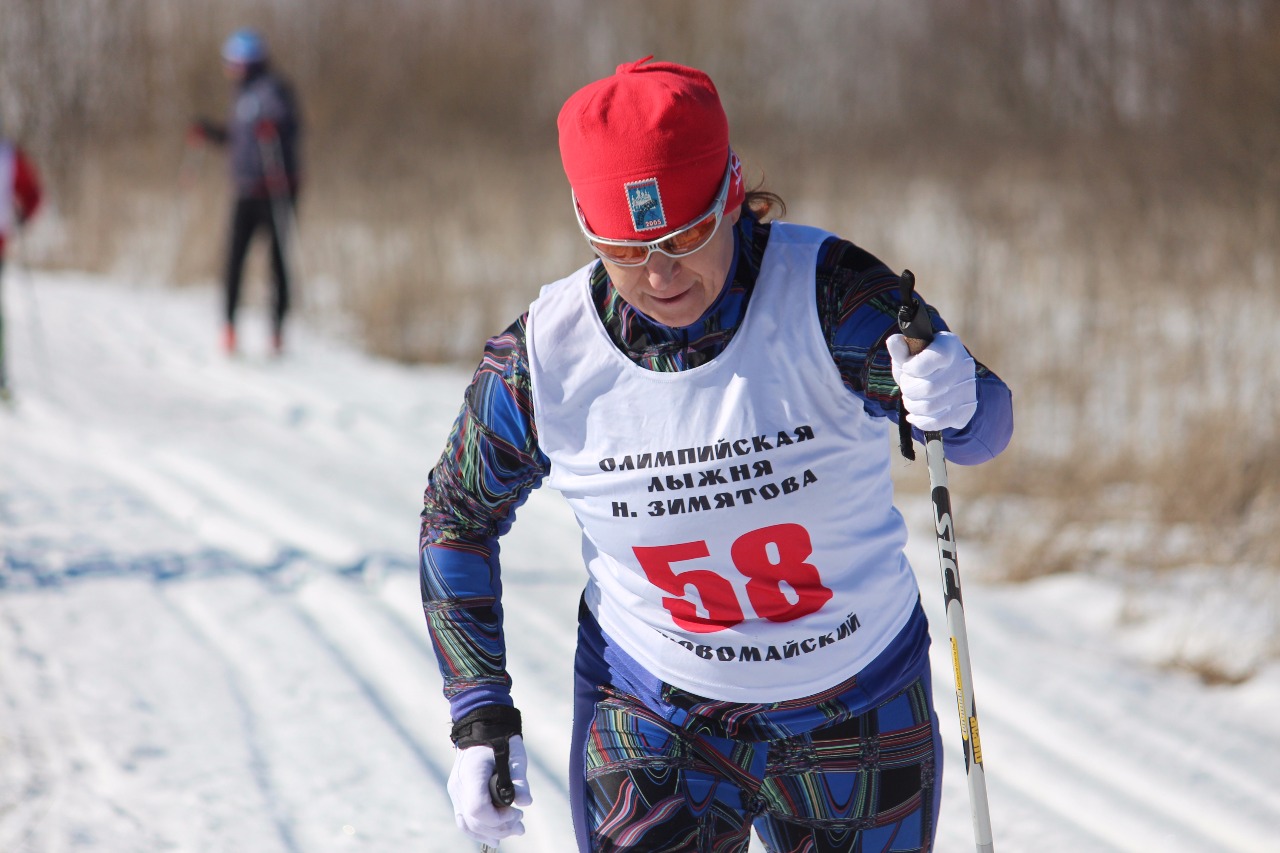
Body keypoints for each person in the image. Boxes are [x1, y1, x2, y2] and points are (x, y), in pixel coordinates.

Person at [419, 57, 1013, 853]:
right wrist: (478, 714)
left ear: (732, 191)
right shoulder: (544, 358)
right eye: (624, 249)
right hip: (656, 718)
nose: (660, 274)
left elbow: (978, 432)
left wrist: (958, 392)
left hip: (857, 704)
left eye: (686, 235)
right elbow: (456, 516)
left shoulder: (832, 295)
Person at [189, 28, 301, 356]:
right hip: (246, 189)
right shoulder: (239, 95)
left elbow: (290, 125)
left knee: (278, 262)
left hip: (276, 189)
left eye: (233, 62)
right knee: (234, 259)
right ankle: (229, 327)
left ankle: (277, 331)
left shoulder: (276, 88)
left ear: (247, 62)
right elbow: (238, 139)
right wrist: (208, 133)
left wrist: (275, 128)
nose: (229, 68)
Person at [0, 121, 43, 400]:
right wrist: (22, 218)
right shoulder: (9, 155)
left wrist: (22, 217)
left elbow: (34, 195)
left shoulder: (9, 156)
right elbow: (34, 195)